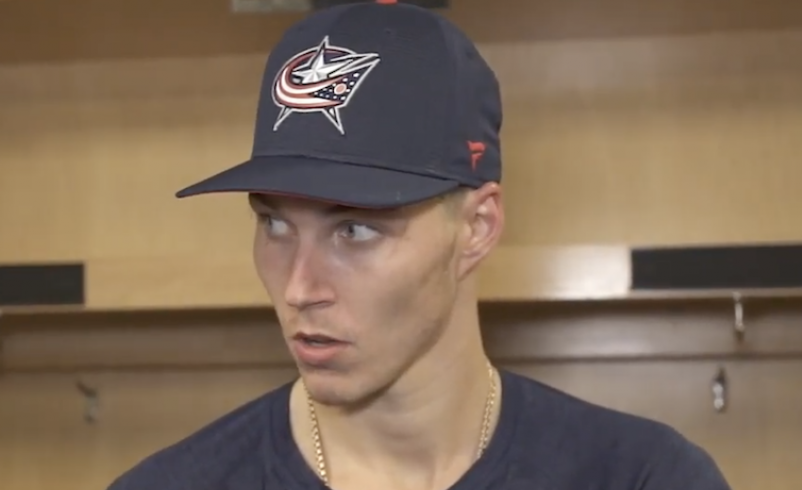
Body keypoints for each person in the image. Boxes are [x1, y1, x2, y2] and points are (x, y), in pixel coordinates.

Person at [107, 1, 732, 489]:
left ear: (478, 227)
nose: (299, 288)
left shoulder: (643, 479)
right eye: (274, 224)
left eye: (354, 229)